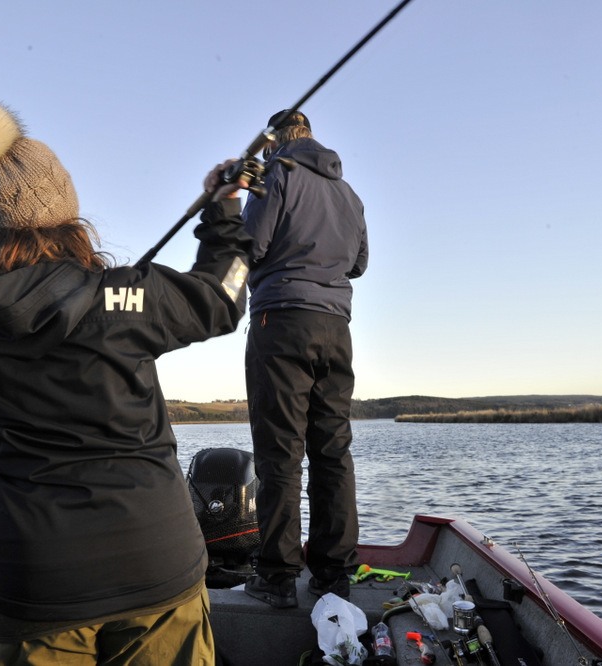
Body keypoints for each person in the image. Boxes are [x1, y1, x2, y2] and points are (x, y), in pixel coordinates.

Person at [0, 100, 251, 665]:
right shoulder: (125, 295)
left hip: (32, 580)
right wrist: (224, 213)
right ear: (64, 207)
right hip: (154, 562)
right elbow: (226, 296)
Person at [240, 110, 368, 609]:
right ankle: (333, 575)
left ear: (274, 143)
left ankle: (276, 577)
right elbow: (359, 263)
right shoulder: (349, 193)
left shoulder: (276, 175)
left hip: (281, 321)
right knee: (333, 451)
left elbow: (251, 246)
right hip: (336, 329)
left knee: (280, 452)